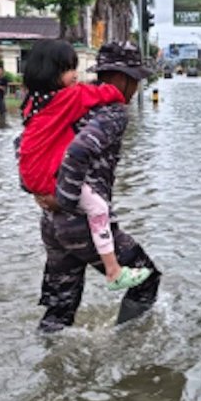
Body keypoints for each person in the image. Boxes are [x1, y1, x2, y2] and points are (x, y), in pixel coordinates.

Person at [30, 41, 161, 332]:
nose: (136, 88)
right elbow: (79, 151)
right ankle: (127, 349)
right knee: (146, 279)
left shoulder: (67, 101)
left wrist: (40, 191)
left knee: (59, 309)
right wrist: (65, 198)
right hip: (82, 221)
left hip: (52, 224)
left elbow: (24, 143)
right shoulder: (112, 111)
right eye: (135, 80)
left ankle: (50, 363)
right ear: (122, 78)